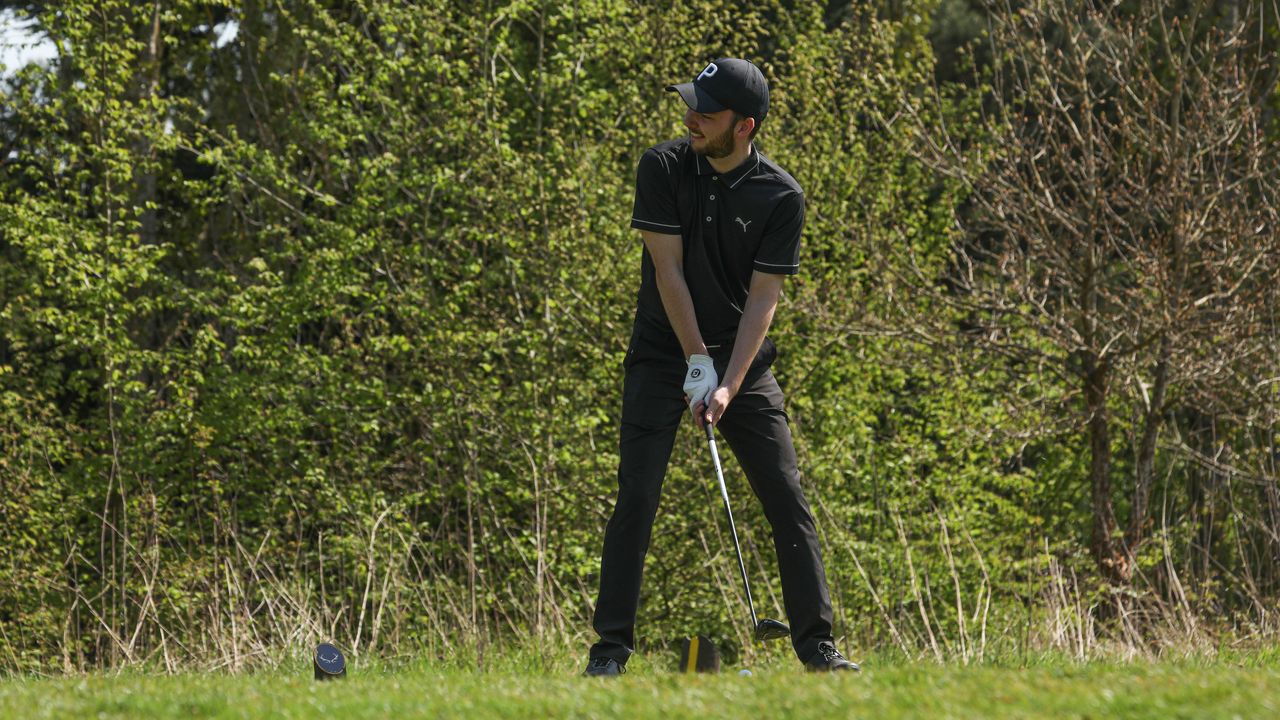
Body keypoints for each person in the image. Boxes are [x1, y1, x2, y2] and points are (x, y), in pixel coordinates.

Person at [582, 58, 859, 677]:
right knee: (638, 496)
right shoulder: (662, 166)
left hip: (742, 357)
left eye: (707, 112)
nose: (691, 118)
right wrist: (696, 361)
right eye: (690, 105)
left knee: (786, 494)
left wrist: (729, 383)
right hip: (662, 352)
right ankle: (610, 651)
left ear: (745, 126)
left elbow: (764, 300)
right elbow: (667, 271)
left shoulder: (781, 196)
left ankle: (817, 646)